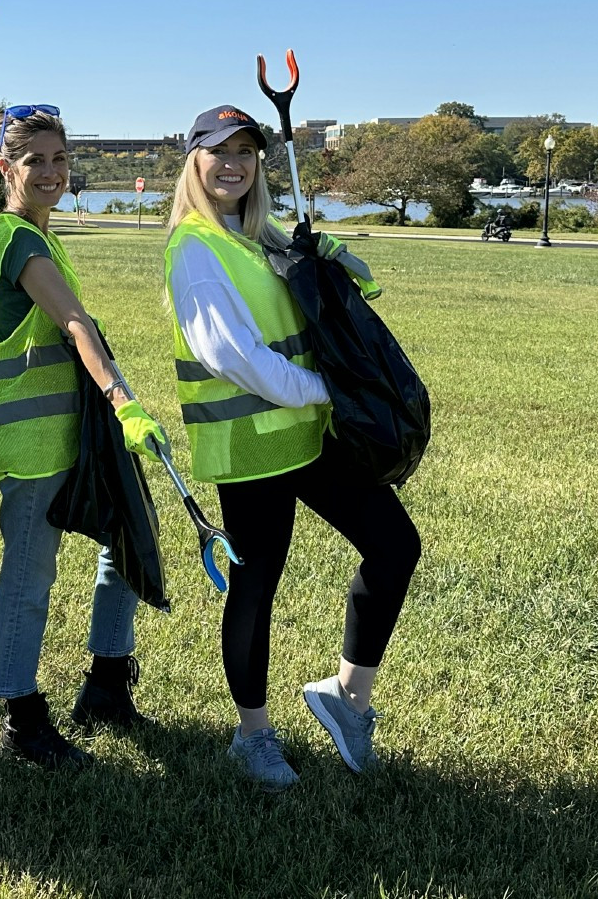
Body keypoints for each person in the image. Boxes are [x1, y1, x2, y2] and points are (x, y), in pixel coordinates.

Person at [163, 104, 422, 791]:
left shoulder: (255, 235)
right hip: (251, 445)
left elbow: (309, 295)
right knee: (256, 587)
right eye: (220, 151)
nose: (234, 164)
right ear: (195, 161)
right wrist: (327, 386)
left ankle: (346, 696)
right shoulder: (194, 248)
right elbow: (231, 355)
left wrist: (334, 266)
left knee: (395, 544)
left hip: (307, 435)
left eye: (246, 152)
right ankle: (251, 737)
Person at [0, 104, 172, 770]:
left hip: (72, 435)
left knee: (124, 533)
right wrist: (121, 397)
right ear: (5, 167)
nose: (50, 172)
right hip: (32, 445)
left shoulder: (41, 234)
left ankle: (107, 681)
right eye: (34, 161)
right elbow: (75, 321)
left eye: (59, 159)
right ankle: (22, 718)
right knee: (28, 575)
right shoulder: (18, 240)